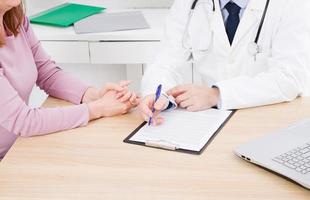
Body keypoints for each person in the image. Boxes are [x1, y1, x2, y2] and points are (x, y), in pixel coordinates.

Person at [0, 0, 139, 159]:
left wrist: (96, 95)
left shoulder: (16, 21)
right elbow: (23, 121)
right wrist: (97, 108)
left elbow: (47, 73)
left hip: (17, 150)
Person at [138, 0, 310, 125]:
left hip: (270, 121)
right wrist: (158, 94)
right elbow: (165, 62)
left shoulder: (292, 4)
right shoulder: (189, 4)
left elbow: (290, 78)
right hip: (211, 122)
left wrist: (217, 94)